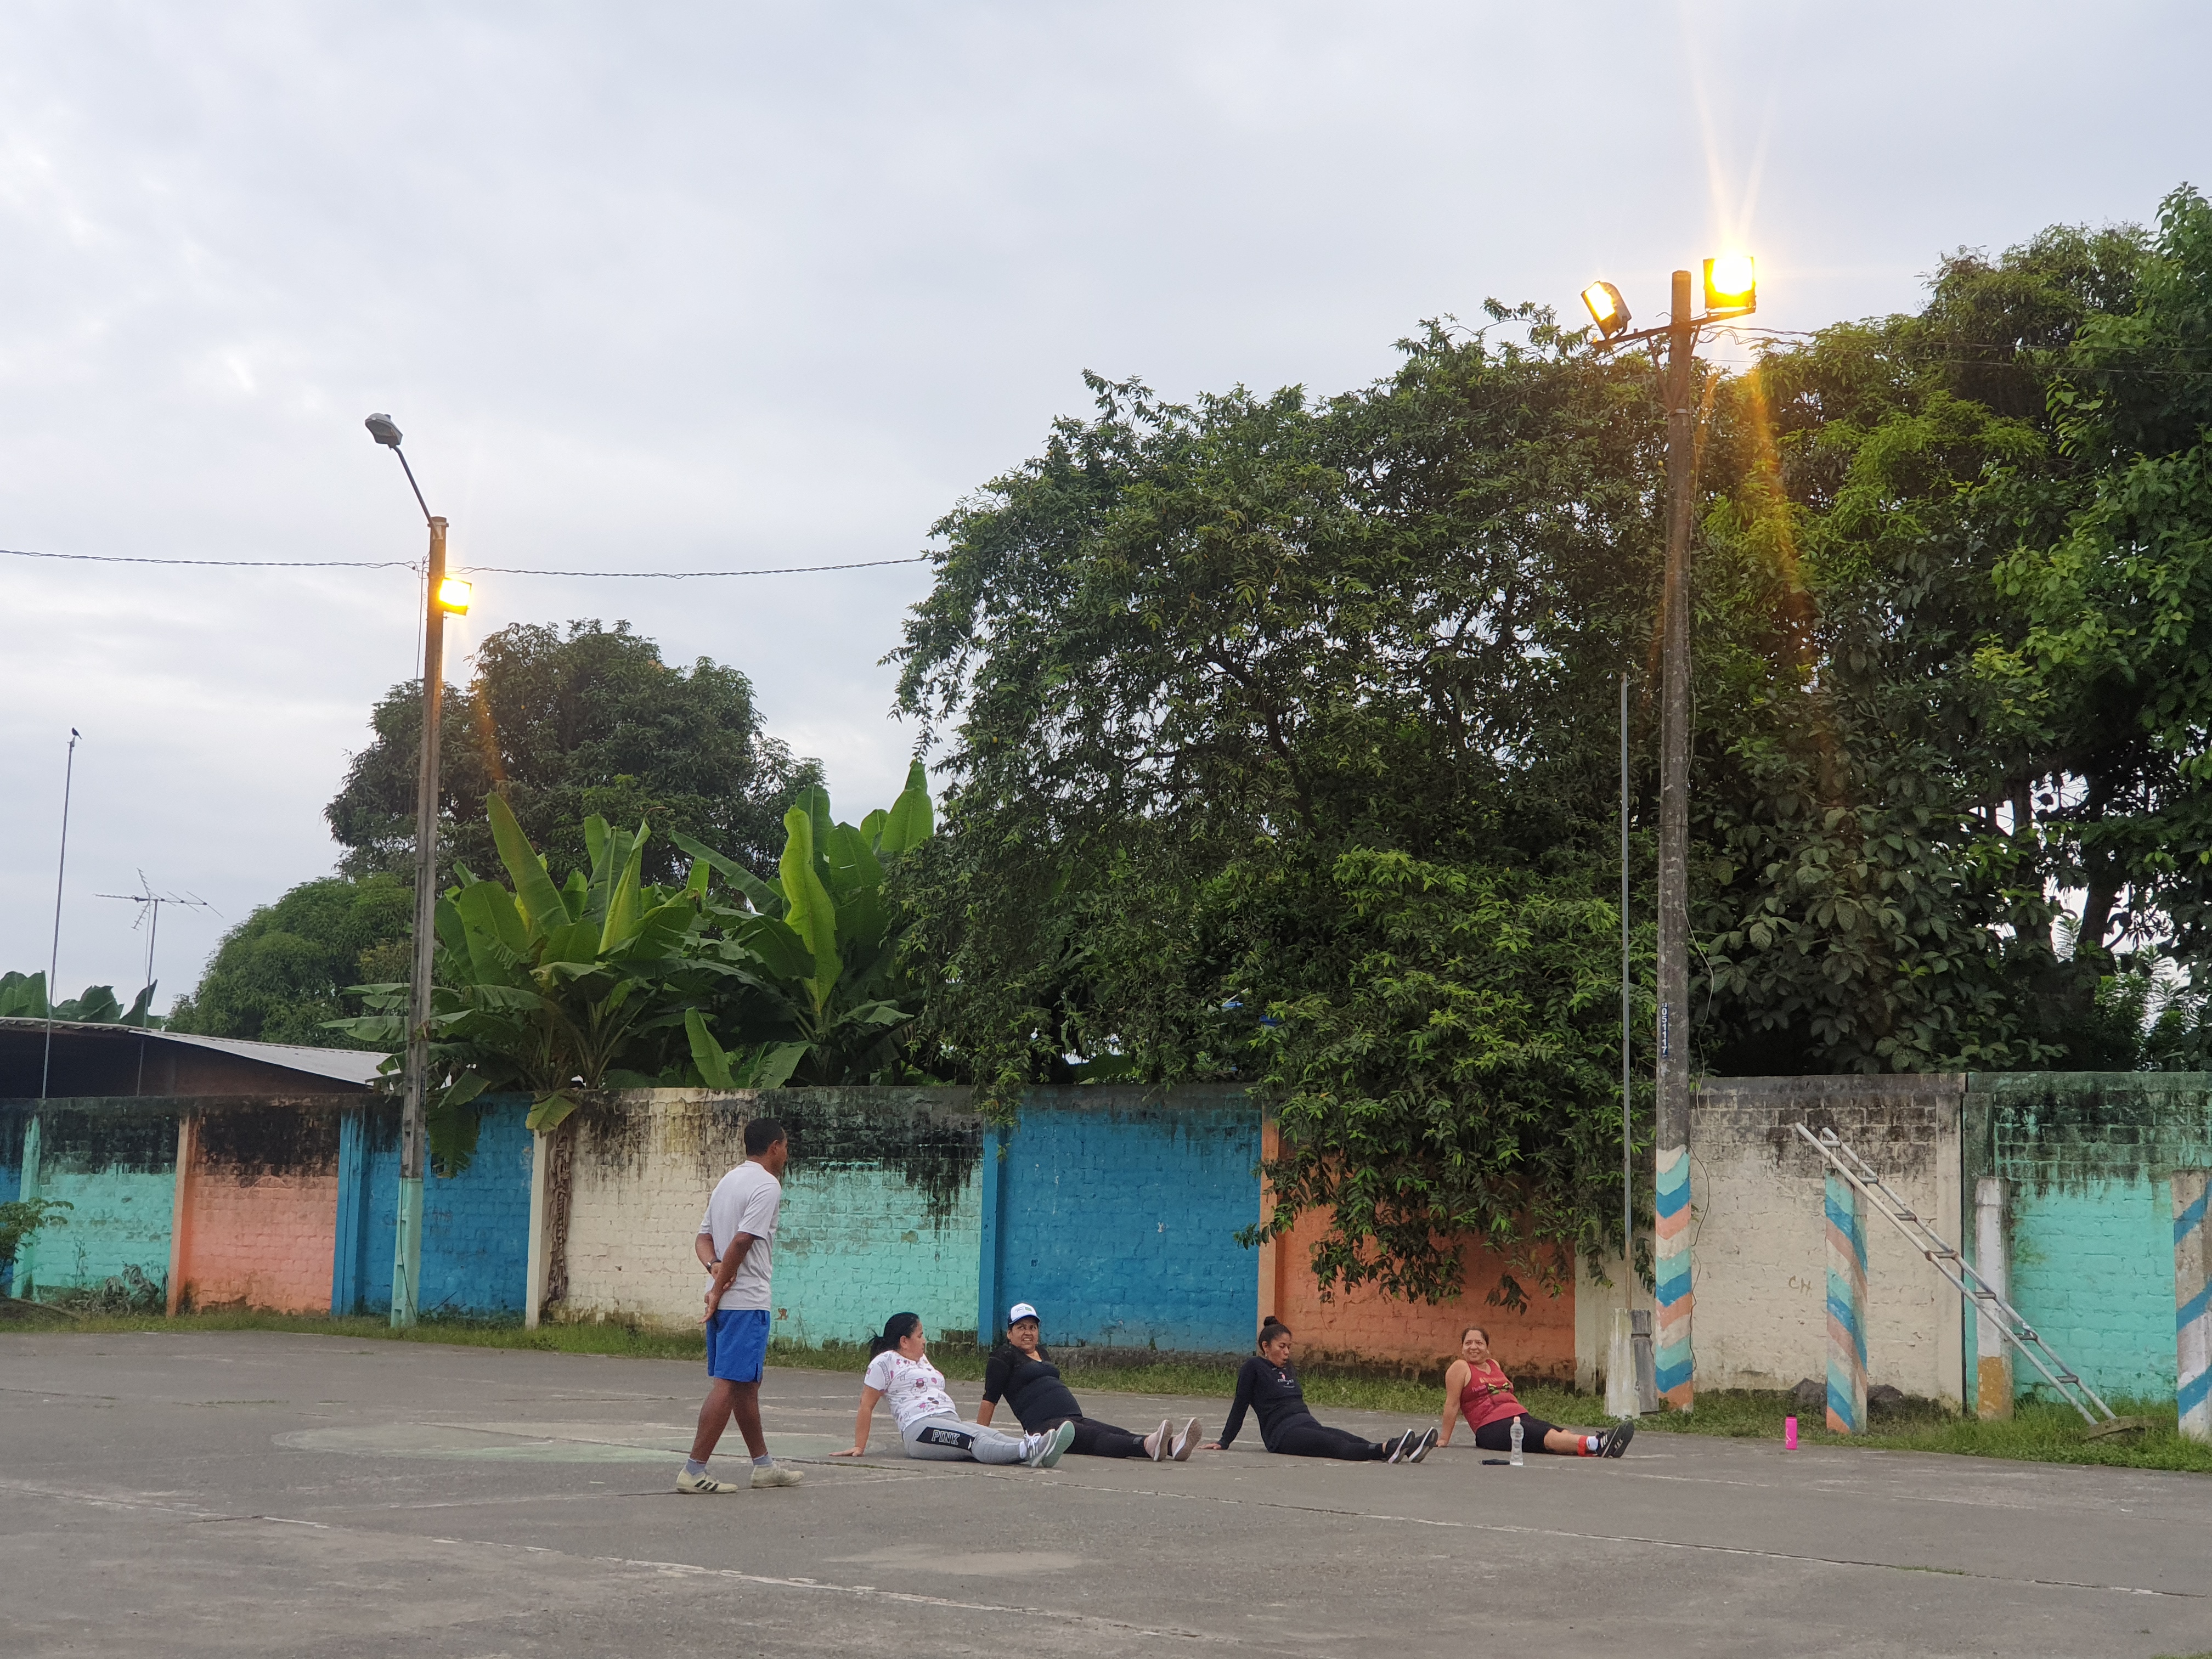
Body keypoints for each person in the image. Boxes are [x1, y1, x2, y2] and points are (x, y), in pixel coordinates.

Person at [680, 1116, 804, 1493]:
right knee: (730, 1384)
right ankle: (693, 1471)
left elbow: (703, 1239)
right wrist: (720, 1286)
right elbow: (742, 1241)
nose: (786, 1154)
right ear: (774, 1147)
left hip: (725, 1302)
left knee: (746, 1384)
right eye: (785, 1147)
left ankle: (763, 1466)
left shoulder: (728, 1181)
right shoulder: (767, 1185)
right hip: (745, 1302)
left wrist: (713, 1269)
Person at [832, 1312, 1077, 1468]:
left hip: (948, 1420)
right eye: (920, 1335)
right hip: (920, 1428)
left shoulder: (922, 1360)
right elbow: (866, 1405)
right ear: (904, 1341)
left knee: (991, 1434)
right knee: (975, 1441)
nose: (925, 1340)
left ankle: (1038, 1446)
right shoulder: (884, 1362)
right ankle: (1029, 1450)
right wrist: (859, 1446)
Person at [978, 1302, 1200, 1461]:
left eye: (1032, 1328)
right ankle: (1146, 1446)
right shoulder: (1002, 1357)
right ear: (1009, 1333)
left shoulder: (1042, 1353)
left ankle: (1172, 1445)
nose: (1028, 1333)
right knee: (1097, 1438)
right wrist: (978, 1438)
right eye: (1021, 1328)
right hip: (1045, 1427)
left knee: (1115, 1432)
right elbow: (990, 1399)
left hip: (1072, 1416)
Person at [1206, 1317, 1436, 1463]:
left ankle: (1407, 1450)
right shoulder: (1254, 1367)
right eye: (1282, 1347)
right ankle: (1390, 1448)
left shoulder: (1288, 1367)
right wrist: (1224, 1441)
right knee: (1336, 1446)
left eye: (1289, 1347)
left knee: (1350, 1438)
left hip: (1308, 1424)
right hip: (1282, 1434)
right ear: (1266, 1346)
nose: (1287, 1352)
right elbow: (1240, 1404)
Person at [1437, 1324, 1634, 1459]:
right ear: (1462, 1349)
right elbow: (1452, 1404)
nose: (1473, 1347)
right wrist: (1444, 1439)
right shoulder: (1460, 1368)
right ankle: (1598, 1444)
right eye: (1468, 1343)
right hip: (1491, 1427)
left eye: (1479, 1343)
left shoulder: (1494, 1364)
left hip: (1519, 1416)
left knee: (1560, 1432)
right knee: (1548, 1437)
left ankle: (1595, 1446)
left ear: (1488, 1349)